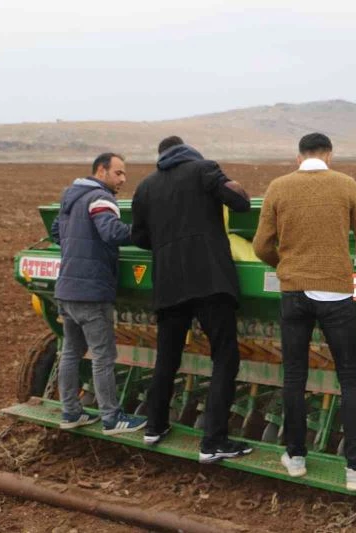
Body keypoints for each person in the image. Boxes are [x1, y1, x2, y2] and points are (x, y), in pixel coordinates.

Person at [252, 133, 356, 491]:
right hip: (335, 294)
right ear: (329, 155)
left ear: (298, 157)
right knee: (349, 377)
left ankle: (295, 456)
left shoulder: (278, 187)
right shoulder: (345, 184)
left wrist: (286, 265)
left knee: (295, 375)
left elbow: (260, 246)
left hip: (294, 294)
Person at [131, 136, 252, 463]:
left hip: (169, 285)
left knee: (167, 357)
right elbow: (240, 204)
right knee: (225, 357)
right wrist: (235, 188)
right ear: (187, 151)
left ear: (161, 156)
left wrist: (167, 246)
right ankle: (213, 442)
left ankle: (154, 427)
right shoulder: (204, 170)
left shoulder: (145, 187)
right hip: (209, 281)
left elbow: (139, 236)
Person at [51, 153, 147, 435]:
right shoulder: (100, 198)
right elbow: (112, 232)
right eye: (118, 173)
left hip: (66, 289)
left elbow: (58, 232)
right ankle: (111, 418)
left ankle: (70, 412)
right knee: (103, 356)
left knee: (71, 351)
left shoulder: (71, 196)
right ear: (101, 170)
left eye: (124, 174)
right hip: (91, 292)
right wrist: (146, 234)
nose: (123, 179)